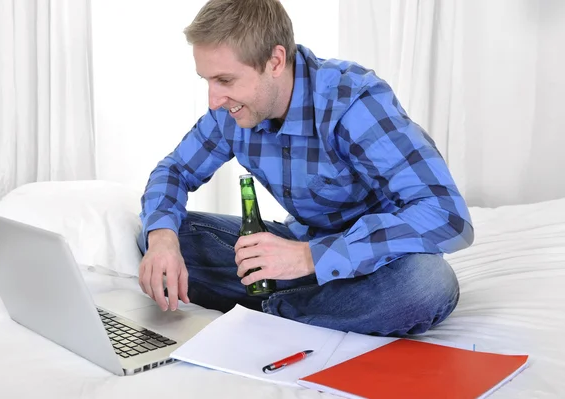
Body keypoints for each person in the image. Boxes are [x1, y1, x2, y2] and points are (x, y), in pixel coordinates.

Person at [136, 0, 474, 336]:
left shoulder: (352, 102)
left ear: (275, 61)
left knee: (428, 285)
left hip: (374, 265)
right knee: (157, 237)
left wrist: (310, 258)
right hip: (295, 252)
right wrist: (163, 239)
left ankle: (274, 309)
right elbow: (175, 170)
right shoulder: (230, 112)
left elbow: (448, 215)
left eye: (225, 80)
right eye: (207, 80)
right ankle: (314, 309)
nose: (214, 100)